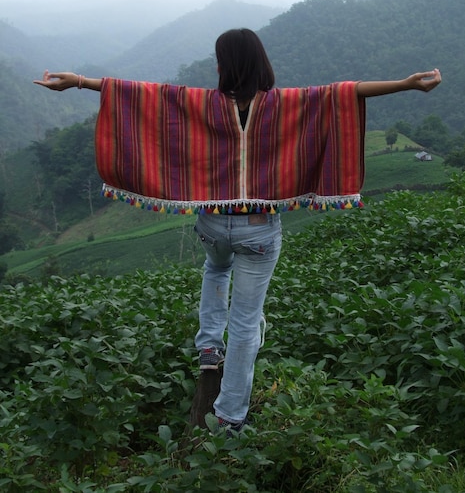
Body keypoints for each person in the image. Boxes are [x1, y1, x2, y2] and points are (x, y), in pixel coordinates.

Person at [34, 28, 441, 434]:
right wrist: (406, 84)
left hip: (213, 222)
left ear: (223, 65)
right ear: (262, 61)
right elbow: (347, 93)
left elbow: (146, 94)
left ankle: (209, 345)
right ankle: (229, 417)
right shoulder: (286, 105)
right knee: (246, 323)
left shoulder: (203, 105)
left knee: (215, 269)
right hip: (259, 230)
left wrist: (81, 82)